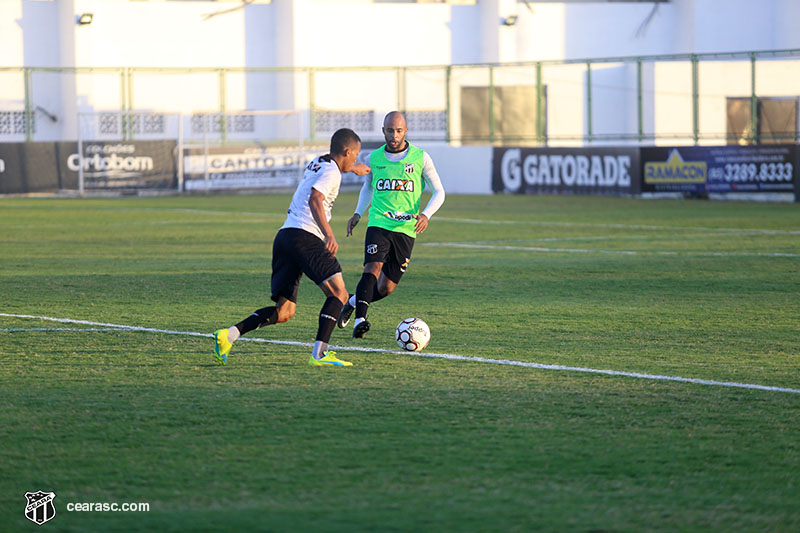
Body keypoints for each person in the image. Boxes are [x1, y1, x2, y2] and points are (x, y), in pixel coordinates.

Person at [213, 128, 370, 367]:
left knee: (285, 311)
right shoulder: (332, 174)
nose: (356, 159)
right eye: (355, 155)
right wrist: (329, 235)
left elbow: (333, 168)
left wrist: (353, 167)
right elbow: (315, 199)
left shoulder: (319, 161)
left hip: (285, 237)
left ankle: (229, 335)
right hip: (305, 236)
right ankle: (320, 354)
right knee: (339, 294)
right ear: (347, 151)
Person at [339, 111, 446, 338]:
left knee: (386, 288)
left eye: (399, 130)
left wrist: (425, 215)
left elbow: (439, 191)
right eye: (390, 130)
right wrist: (358, 213)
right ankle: (360, 320)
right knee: (372, 268)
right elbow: (368, 187)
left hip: (406, 229)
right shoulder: (375, 158)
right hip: (379, 222)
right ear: (383, 131)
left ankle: (351, 302)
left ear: (405, 131)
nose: (394, 135)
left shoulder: (420, 157)